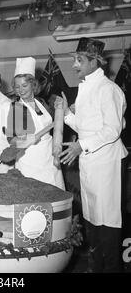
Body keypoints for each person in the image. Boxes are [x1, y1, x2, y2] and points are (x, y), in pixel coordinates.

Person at [56, 37, 128, 272]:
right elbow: (86, 127)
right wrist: (67, 113)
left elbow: (112, 129)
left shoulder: (109, 89)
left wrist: (80, 146)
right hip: (91, 163)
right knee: (93, 220)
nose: (74, 65)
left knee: (107, 223)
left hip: (107, 164)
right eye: (75, 60)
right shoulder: (87, 87)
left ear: (95, 62)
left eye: (79, 60)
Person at [4, 57, 65, 190]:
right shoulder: (17, 108)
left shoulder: (41, 103)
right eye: (17, 86)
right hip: (30, 161)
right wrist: (25, 139)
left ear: (33, 84)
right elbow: (12, 141)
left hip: (49, 158)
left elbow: (54, 125)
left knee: (56, 197)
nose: (20, 90)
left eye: (24, 85)